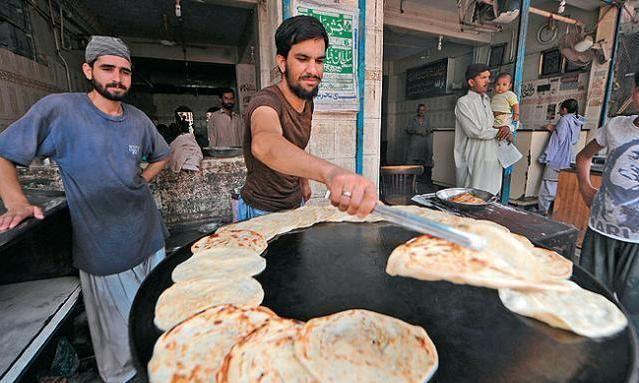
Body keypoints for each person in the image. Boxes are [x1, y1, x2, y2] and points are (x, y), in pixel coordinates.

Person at [0, 36, 170, 382]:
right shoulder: (60, 110)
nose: (118, 78)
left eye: (125, 71)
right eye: (108, 68)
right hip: (103, 249)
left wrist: (142, 178)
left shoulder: (137, 119)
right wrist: (17, 201)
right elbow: (5, 154)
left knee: (153, 321)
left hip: (149, 238)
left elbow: (163, 155)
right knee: (118, 349)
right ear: (88, 69)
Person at [239, 15, 376, 220]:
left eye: (319, 61)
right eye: (302, 59)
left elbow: (295, 145)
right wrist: (330, 173)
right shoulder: (265, 102)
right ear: (283, 62)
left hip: (295, 203)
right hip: (261, 210)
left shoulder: (307, 101)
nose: (313, 70)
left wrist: (302, 179)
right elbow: (265, 143)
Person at [576, 72, 639, 329]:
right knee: (591, 298)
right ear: (635, 91)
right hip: (601, 228)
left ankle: (626, 362)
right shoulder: (616, 126)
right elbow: (583, 156)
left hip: (636, 241)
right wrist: (585, 186)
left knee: (632, 310)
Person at [454, 63, 512, 195]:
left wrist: (506, 129)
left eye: (489, 77)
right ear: (471, 82)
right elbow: (474, 131)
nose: (488, 81)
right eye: (483, 77)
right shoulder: (464, 102)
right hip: (475, 156)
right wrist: (499, 131)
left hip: (492, 154)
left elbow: (494, 124)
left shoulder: (487, 101)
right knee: (473, 195)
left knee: (491, 194)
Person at [537, 99, 584, 215]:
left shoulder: (563, 120)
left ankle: (543, 211)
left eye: (560, 109)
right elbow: (571, 137)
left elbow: (559, 138)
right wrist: (555, 128)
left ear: (564, 109)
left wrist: (546, 155)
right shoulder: (576, 120)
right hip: (568, 157)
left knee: (548, 186)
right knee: (558, 184)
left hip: (557, 157)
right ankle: (554, 209)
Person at [405, 104, 433, 182]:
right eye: (420, 110)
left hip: (423, 143)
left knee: (422, 160)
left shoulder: (427, 119)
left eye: (423, 110)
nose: (422, 111)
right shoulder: (413, 119)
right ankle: (407, 175)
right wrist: (417, 131)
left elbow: (430, 129)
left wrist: (427, 132)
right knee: (411, 159)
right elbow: (408, 129)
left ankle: (418, 177)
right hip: (414, 142)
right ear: (418, 111)